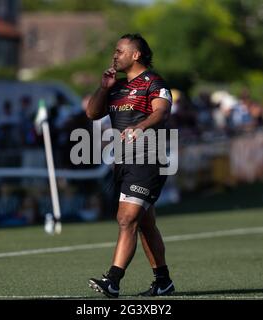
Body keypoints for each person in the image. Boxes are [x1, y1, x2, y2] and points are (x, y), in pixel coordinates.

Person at [86, 33, 175, 298]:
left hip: (148, 158)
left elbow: (162, 111)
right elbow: (92, 113)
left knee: (126, 219)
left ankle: (112, 280)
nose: (115, 55)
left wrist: (141, 125)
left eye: (119, 51)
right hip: (123, 162)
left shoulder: (153, 82)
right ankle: (163, 282)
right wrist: (103, 87)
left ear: (136, 55)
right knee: (144, 224)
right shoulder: (116, 86)